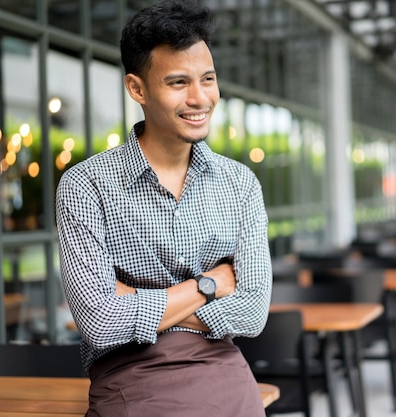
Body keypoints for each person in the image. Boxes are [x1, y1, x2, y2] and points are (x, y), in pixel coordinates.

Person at [55, 1, 272, 415]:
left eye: (207, 79)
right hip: (132, 379)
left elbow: (252, 312)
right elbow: (100, 324)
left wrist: (134, 298)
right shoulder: (86, 185)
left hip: (224, 373)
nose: (199, 98)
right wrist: (206, 286)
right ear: (137, 89)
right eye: (178, 82)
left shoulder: (239, 184)